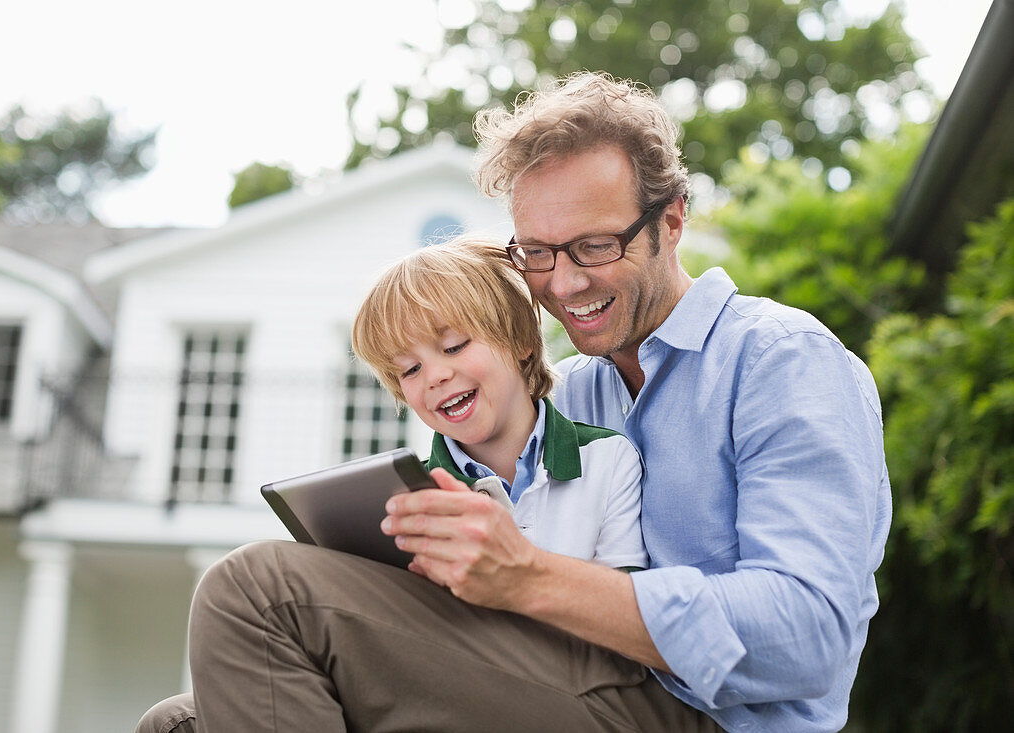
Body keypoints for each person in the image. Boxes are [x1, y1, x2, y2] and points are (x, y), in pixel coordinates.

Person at [136, 72, 891, 733]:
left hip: (699, 718)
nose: (562, 285)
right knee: (178, 722)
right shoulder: (576, 388)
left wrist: (527, 575)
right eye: (537, 252)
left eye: (595, 246)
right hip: (558, 679)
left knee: (257, 590)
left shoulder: (778, 360)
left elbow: (809, 636)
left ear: (672, 220)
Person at [350, 236, 647, 570]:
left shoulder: (609, 458)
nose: (434, 377)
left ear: (520, 339)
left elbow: (621, 601)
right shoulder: (408, 502)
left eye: (454, 346)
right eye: (410, 369)